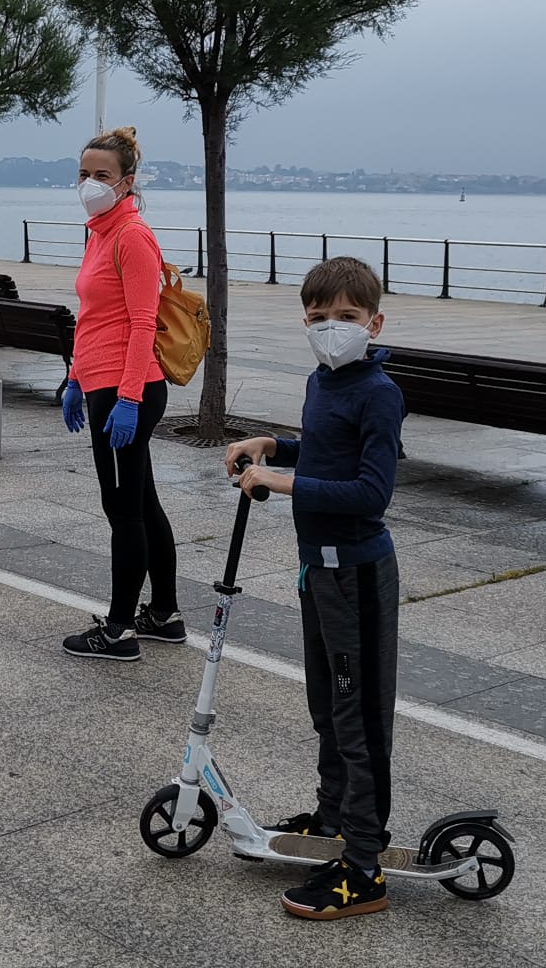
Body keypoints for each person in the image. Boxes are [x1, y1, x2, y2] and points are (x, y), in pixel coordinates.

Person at [223, 256, 404, 920]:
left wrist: (281, 482)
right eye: (319, 317)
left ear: (374, 322)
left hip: (357, 572)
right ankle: (333, 818)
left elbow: (371, 491)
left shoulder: (379, 393)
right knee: (327, 708)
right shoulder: (321, 383)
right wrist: (274, 445)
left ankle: (363, 864)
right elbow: (324, 450)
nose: (332, 328)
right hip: (317, 569)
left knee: (360, 722)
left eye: (347, 318)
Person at [59, 126, 184, 662]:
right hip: (103, 383)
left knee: (123, 510)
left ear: (127, 181)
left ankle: (117, 632)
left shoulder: (132, 236)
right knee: (142, 501)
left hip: (124, 392)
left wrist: (129, 397)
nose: (90, 183)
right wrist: (74, 379)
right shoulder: (101, 231)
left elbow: (141, 322)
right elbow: (94, 318)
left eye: (101, 176)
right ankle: (163, 616)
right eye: (84, 174)